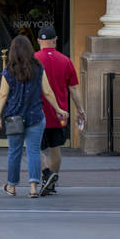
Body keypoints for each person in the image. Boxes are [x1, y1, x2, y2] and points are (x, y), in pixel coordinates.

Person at [0, 34, 68, 198]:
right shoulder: (38, 69)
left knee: (14, 152)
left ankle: (12, 186)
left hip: (14, 117)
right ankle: (33, 188)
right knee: (34, 151)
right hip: (35, 116)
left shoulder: (9, 71)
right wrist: (58, 109)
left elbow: (2, 95)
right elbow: (47, 92)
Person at [34, 26, 84, 196]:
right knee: (55, 148)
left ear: (39, 41)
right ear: (55, 40)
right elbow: (74, 89)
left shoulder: (33, 59)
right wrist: (80, 109)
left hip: (37, 112)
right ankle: (52, 182)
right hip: (59, 113)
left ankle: (46, 174)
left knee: (36, 148)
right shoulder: (65, 60)